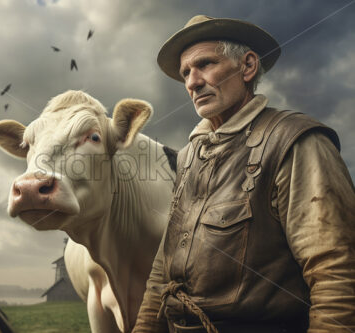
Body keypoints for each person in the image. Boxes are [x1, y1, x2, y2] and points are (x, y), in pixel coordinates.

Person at [132, 15, 355, 333]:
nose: (192, 82)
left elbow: (336, 272)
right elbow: (162, 269)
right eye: (185, 73)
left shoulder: (294, 140)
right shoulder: (188, 157)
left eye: (205, 64)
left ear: (248, 66)